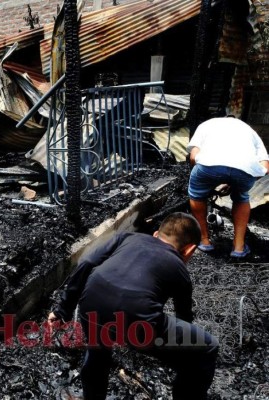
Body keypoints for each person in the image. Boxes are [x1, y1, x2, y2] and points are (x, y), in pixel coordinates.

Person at [48, 212, 218, 400]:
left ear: (156, 234)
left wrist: (63, 309)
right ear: (189, 250)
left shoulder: (127, 237)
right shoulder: (180, 270)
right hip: (138, 318)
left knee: (97, 354)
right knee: (207, 348)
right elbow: (183, 318)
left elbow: (87, 262)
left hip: (92, 302)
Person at [187, 116, 269, 257]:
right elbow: (265, 167)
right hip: (245, 169)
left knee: (196, 194)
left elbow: (193, 157)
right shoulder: (250, 131)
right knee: (242, 197)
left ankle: (204, 241)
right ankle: (238, 248)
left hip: (208, 165)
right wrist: (239, 183)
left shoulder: (207, 124)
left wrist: (206, 182)